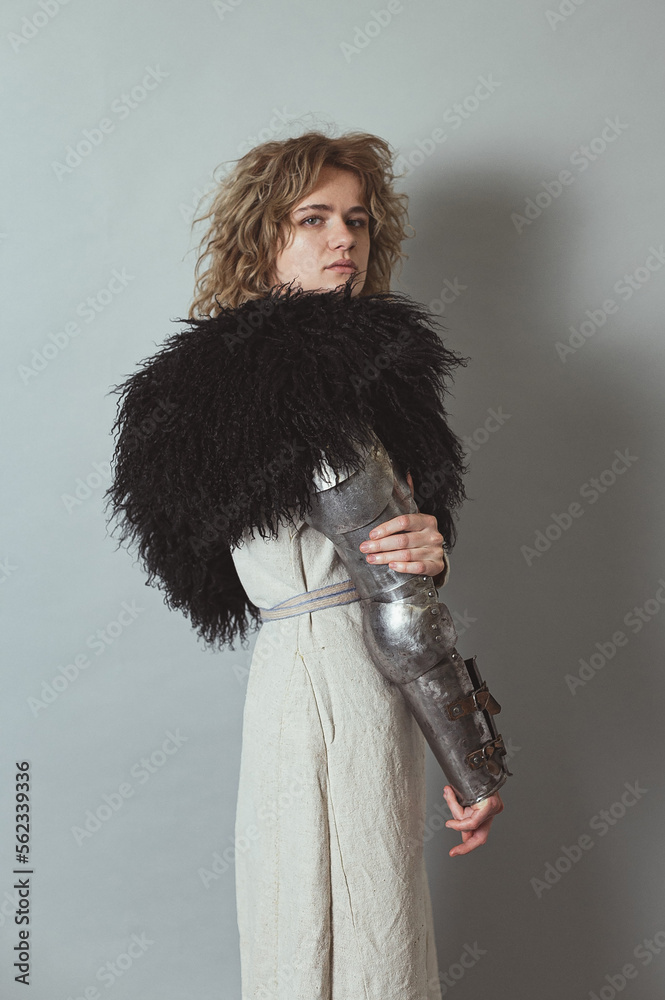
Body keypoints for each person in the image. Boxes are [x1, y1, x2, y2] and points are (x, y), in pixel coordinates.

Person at [105, 129, 507, 1000]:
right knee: (366, 937)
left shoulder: (236, 383)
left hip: (293, 677)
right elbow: (395, 599)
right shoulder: (312, 378)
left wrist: (424, 543)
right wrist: (473, 768)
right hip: (347, 677)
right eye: (314, 218)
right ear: (265, 235)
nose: (343, 241)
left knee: (302, 925)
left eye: (357, 221)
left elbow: (394, 561)